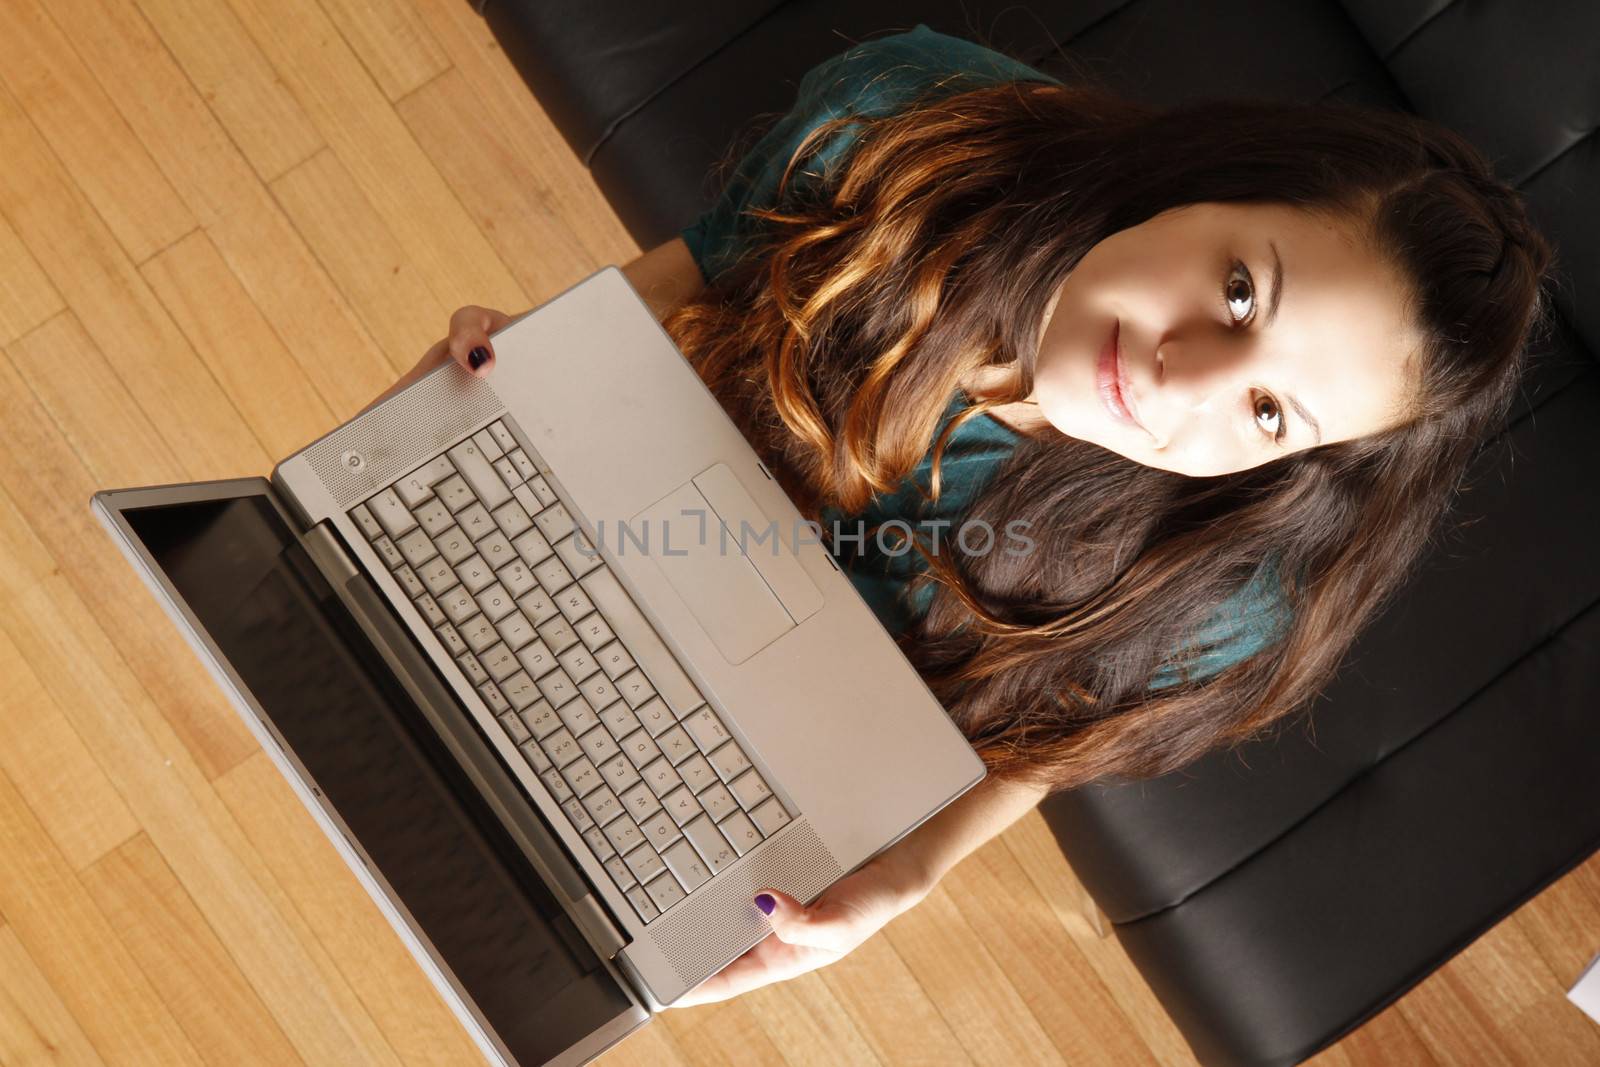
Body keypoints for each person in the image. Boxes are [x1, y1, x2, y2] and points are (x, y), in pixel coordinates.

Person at [377, 24, 1554, 1007]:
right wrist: (518, 374)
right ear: (1207, 174)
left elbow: (1036, 737)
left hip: (744, 741)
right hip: (605, 528)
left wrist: (910, 870)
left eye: (1265, 409)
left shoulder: (1220, 591)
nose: (1177, 377)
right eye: (1240, 289)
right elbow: (696, 269)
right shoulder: (905, 125)